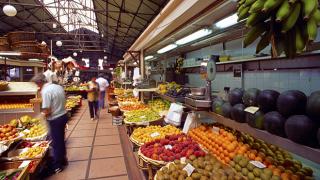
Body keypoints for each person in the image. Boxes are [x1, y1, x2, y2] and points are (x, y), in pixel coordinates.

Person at [31, 73, 68, 175]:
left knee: (56, 143)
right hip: (63, 115)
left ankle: (57, 166)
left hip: (55, 119)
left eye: (36, 84)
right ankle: (63, 160)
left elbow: (47, 110)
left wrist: (40, 117)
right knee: (61, 139)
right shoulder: (58, 87)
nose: (37, 86)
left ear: (39, 83)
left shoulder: (45, 91)